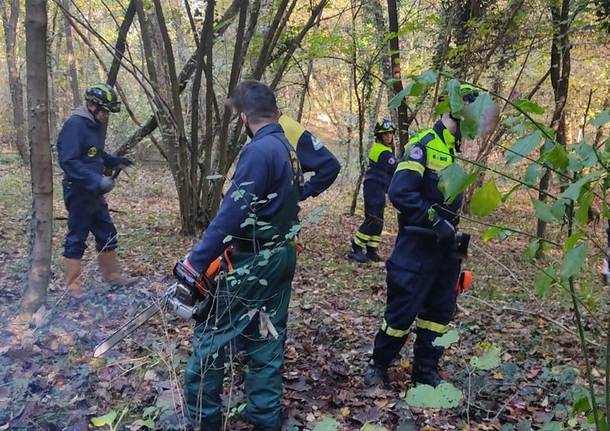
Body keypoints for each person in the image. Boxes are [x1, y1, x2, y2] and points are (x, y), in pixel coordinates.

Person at [181, 80, 302, 431]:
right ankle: (265, 420)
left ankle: (204, 421)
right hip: (280, 256)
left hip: (253, 263)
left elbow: (232, 214)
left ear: (244, 117)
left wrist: (196, 261)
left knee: (211, 338)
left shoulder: (259, 152)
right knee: (266, 340)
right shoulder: (286, 148)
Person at [363, 84, 494, 386]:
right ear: (460, 111)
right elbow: (400, 191)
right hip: (417, 246)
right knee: (402, 312)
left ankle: (425, 370)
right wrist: (435, 221)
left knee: (440, 310)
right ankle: (379, 365)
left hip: (447, 250)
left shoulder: (457, 151)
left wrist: (456, 247)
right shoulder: (424, 144)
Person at [57, 83, 134, 295]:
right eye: (105, 110)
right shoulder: (75, 125)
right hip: (79, 190)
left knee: (107, 232)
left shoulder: (95, 125)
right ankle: (73, 287)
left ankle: (113, 276)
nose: (107, 115)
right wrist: (96, 180)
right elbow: (69, 161)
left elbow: (95, 155)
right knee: (77, 236)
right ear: (92, 105)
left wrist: (115, 161)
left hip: (94, 193)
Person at [348, 120, 397, 263]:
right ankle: (356, 247)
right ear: (379, 136)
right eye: (385, 134)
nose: (388, 136)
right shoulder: (381, 151)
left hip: (379, 188)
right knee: (373, 219)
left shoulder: (386, 150)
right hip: (373, 187)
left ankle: (371, 250)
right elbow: (395, 167)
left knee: (379, 220)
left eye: (390, 133)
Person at [277, 114, 341, 201]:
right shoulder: (254, 127)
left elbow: (331, 165)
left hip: (281, 207)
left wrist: (302, 192)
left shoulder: (290, 128)